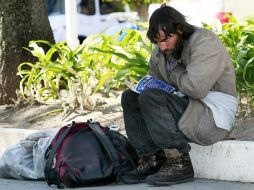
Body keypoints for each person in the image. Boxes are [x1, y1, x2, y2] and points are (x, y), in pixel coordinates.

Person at [121, 4, 237, 186]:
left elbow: (196, 89)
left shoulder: (205, 42)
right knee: (130, 97)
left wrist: (174, 70)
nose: (163, 46)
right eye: (157, 41)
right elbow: (156, 83)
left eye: (167, 39)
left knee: (151, 97)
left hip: (213, 114)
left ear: (180, 29)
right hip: (186, 105)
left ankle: (179, 163)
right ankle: (152, 160)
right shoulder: (161, 51)